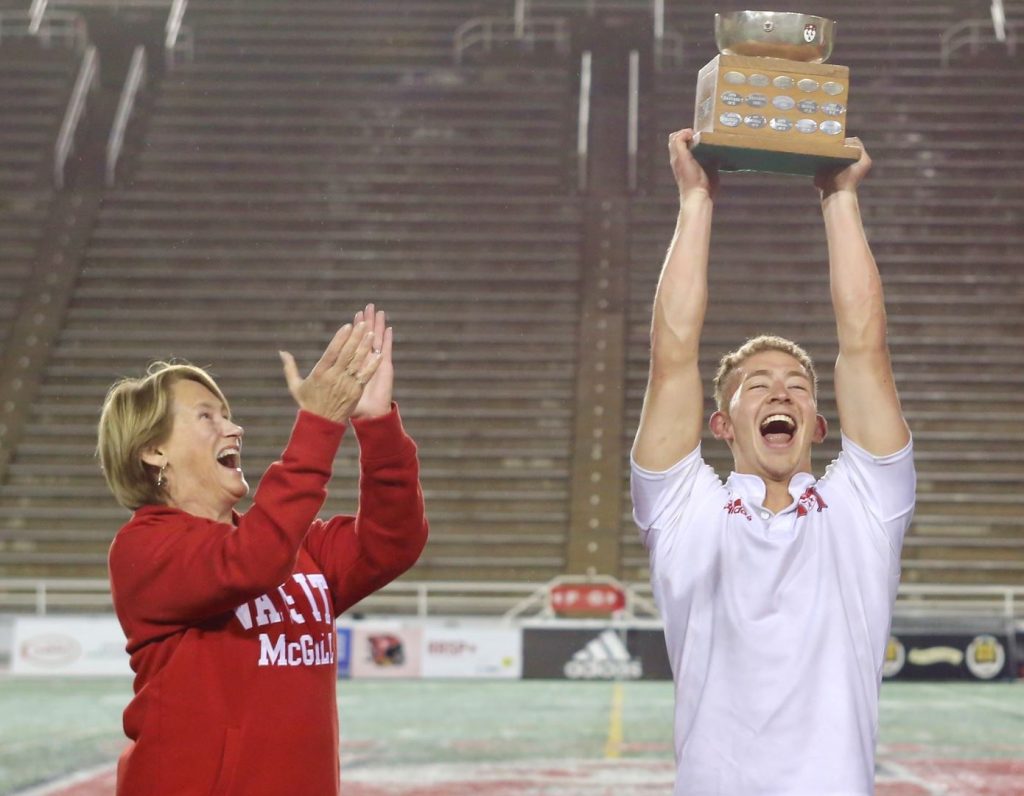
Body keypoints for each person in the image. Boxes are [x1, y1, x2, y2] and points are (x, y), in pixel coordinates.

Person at [631, 130, 915, 795]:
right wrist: (695, 199)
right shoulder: (682, 508)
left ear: (818, 424)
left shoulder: (865, 506)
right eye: (756, 385)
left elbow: (864, 347)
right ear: (721, 425)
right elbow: (672, 358)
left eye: (797, 386)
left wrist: (840, 197)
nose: (780, 392)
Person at [97, 304, 428, 796]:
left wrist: (376, 422)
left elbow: (393, 542)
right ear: (153, 450)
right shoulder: (143, 548)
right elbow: (251, 562)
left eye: (227, 415)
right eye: (206, 416)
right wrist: (318, 423)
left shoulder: (292, 546)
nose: (234, 429)